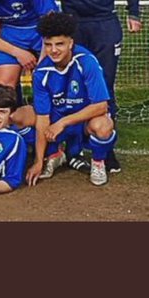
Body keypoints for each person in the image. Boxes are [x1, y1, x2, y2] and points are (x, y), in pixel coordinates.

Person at [21, 0, 141, 173]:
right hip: (73, 24)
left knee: (105, 86)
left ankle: (105, 149)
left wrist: (134, 10)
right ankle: (71, 147)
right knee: (70, 86)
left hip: (105, 22)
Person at [26, 11, 117, 188]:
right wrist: (38, 161)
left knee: (103, 125)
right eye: (48, 44)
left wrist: (63, 123)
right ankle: (54, 155)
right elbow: (43, 118)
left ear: (71, 43)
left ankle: (98, 163)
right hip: (57, 121)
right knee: (21, 117)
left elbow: (101, 106)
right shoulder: (41, 72)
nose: (54, 50)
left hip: (82, 123)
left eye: (60, 44)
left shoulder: (86, 62)